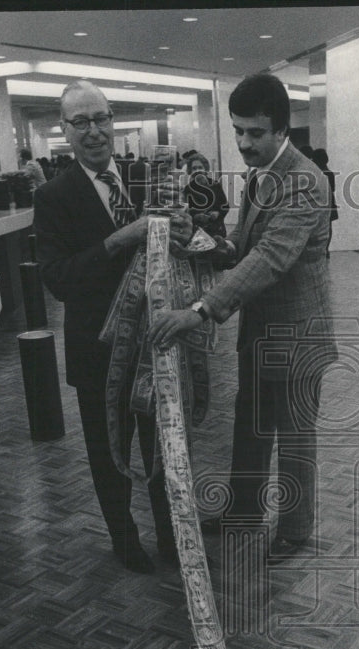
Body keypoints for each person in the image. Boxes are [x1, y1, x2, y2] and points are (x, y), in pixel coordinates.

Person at [149, 73, 336, 561]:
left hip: (298, 336)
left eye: (254, 133)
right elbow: (245, 248)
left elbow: (272, 258)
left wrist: (200, 310)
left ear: (280, 129)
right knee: (251, 425)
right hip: (261, 331)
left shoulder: (304, 181)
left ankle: (296, 530)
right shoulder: (261, 174)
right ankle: (245, 512)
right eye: (237, 131)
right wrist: (206, 244)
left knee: (295, 437)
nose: (243, 142)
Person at [33, 80, 193, 573]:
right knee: (109, 456)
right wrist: (122, 238)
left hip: (156, 344)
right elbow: (58, 279)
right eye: (80, 122)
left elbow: (190, 237)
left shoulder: (148, 176)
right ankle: (125, 543)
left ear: (113, 119)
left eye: (101, 118)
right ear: (65, 130)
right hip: (97, 353)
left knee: (163, 450)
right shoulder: (53, 197)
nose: (94, 131)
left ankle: (171, 538)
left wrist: (188, 232)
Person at [184, 153, 228, 238]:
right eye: (194, 168)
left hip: (216, 231)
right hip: (196, 232)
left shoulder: (215, 185)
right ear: (190, 171)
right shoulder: (187, 189)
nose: (197, 171)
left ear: (205, 169)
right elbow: (185, 212)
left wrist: (218, 213)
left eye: (200, 167)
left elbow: (225, 206)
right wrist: (196, 217)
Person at [311, 148, 337, 258]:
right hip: (330, 201)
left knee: (317, 226)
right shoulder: (329, 173)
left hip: (317, 201)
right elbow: (333, 189)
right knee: (328, 226)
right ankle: (326, 249)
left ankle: (319, 249)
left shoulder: (314, 173)